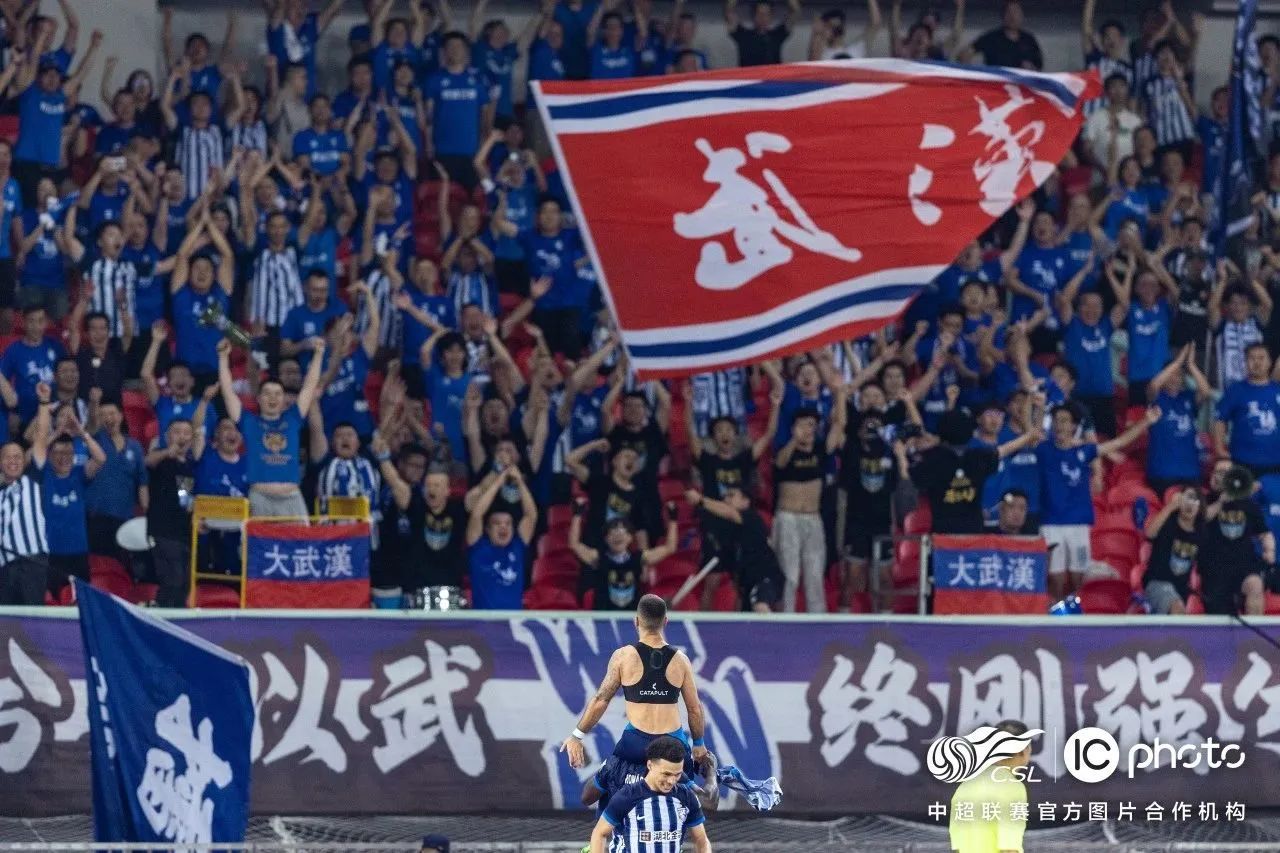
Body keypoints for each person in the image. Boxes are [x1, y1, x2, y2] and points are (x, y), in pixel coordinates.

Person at [561, 595, 710, 785]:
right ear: (665, 621)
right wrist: (698, 744)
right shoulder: (681, 660)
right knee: (685, 796)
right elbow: (694, 708)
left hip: (636, 744)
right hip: (672, 744)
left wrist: (577, 736)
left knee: (595, 793)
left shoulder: (623, 657)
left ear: (636, 621)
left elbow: (601, 700)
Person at [1038, 404, 1157, 599]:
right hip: (1051, 523)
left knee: (1078, 577)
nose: (1059, 425)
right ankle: (1058, 615)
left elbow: (1120, 442)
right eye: (1056, 421)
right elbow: (1030, 431)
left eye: (1064, 421)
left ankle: (1077, 614)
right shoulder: (1043, 450)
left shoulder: (1085, 451)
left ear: (1074, 426)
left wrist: (1146, 421)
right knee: (1055, 578)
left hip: (1078, 523)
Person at [217, 333, 325, 519]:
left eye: (277, 394)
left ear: (284, 400)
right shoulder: (248, 421)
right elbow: (227, 391)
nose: (273, 398)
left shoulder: (293, 418)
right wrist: (222, 357)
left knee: (303, 539)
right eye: (267, 393)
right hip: (260, 497)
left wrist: (319, 355)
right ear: (258, 399)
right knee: (258, 540)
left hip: (292, 497)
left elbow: (309, 386)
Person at [31, 380, 103, 598]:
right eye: (59, 454)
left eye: (69, 454)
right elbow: (40, 441)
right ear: (51, 455)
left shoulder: (79, 474)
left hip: (79, 552)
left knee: (81, 602)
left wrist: (81, 432)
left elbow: (100, 458)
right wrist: (56, 430)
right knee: (52, 601)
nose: (64, 458)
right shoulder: (45, 474)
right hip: (52, 553)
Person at [588, 736, 711, 853]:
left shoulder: (686, 796)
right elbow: (599, 833)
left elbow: (701, 839)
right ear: (650, 765)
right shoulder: (627, 796)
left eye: (677, 774)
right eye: (666, 774)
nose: (671, 781)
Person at [685, 486, 784, 613]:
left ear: (745, 501)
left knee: (760, 606)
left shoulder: (751, 518)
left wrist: (700, 500)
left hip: (765, 577)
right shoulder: (729, 533)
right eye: (725, 496)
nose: (726, 499)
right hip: (747, 585)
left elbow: (730, 513)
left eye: (731, 495)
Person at [571, 500, 678, 611]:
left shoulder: (639, 558)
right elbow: (574, 545)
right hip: (603, 616)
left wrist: (673, 520)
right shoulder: (598, 557)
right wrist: (577, 515)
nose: (618, 536)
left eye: (623, 533)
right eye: (613, 533)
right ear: (606, 539)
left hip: (632, 617)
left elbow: (670, 548)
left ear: (630, 538)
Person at [1200, 466, 1275, 617]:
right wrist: (1221, 502)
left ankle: (1254, 632)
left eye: (1225, 473)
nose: (1221, 476)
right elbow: (1201, 520)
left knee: (1255, 585)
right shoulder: (1205, 500)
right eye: (1218, 472)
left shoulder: (1249, 505)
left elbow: (1264, 533)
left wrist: (1269, 551)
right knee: (1220, 614)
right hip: (1215, 568)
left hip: (1244, 565)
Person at [948, 720, 1032, 853]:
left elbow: (957, 845)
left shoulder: (966, 785)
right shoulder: (1012, 788)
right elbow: (1009, 847)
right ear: (1022, 750)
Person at [144, 416, 202, 608]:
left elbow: (184, 499)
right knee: (172, 579)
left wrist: (194, 510)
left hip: (182, 533)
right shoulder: (160, 458)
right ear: (167, 436)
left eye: (186, 433)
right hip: (162, 531)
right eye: (177, 432)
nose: (182, 437)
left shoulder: (187, 467)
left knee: (184, 583)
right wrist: (166, 452)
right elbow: (147, 462)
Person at [465, 466, 536, 610]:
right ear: (487, 529)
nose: (503, 527)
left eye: (508, 524)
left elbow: (531, 515)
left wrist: (520, 481)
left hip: (513, 621)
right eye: (497, 523)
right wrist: (498, 481)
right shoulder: (478, 547)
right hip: (483, 621)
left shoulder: (518, 546)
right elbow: (477, 514)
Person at [1214, 343, 1280, 478]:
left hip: (1275, 462)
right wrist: (1219, 448)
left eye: (1261, 358)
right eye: (1252, 358)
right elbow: (1220, 419)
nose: (1257, 363)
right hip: (1242, 461)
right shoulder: (1235, 390)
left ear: (1269, 362)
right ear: (1245, 362)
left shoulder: (1277, 390)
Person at [1142, 486, 1203, 615]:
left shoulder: (1201, 533)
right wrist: (1170, 507)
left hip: (1181, 589)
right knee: (1177, 607)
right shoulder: (1168, 522)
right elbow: (1149, 533)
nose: (1190, 504)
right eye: (1187, 498)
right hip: (1157, 583)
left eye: (1195, 499)